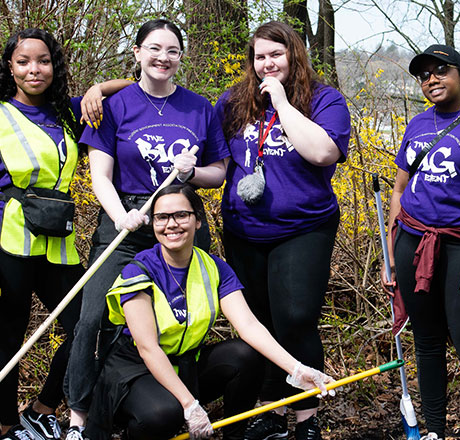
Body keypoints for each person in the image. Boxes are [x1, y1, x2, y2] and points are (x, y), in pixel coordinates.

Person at [66, 18, 227, 440]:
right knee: (91, 319)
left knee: (185, 313)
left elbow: (219, 173)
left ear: (181, 58)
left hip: (180, 221)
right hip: (128, 221)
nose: (163, 58)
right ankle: (79, 417)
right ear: (136, 53)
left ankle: (169, 399)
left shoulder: (199, 107)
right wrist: (121, 215)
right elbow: (100, 174)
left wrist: (193, 172)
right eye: (155, 49)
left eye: (173, 51)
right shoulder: (113, 106)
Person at [85, 185, 335, 440]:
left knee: (245, 355)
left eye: (181, 215)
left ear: (198, 221)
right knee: (164, 413)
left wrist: (296, 369)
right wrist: (189, 405)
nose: (171, 224)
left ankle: (234, 437)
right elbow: (148, 348)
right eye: (162, 217)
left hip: (185, 365)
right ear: (154, 224)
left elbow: (248, 325)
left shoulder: (214, 267)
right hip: (137, 371)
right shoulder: (137, 271)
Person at [213, 20, 350, 440]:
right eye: (260, 57)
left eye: (276, 54)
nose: (267, 63)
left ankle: (306, 418)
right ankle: (271, 411)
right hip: (244, 231)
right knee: (262, 323)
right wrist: (106, 89)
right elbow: (188, 123)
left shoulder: (323, 100)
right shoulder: (233, 102)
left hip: (303, 227)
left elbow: (324, 152)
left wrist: (283, 104)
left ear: (294, 54)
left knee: (295, 318)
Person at [0, 28, 95, 440]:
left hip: (59, 242)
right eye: (23, 62)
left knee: (84, 325)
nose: (34, 69)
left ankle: (41, 407)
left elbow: (134, 84)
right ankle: (7, 426)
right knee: (10, 334)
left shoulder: (69, 113)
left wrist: (96, 88)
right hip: (8, 239)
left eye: (43, 61)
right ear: (11, 68)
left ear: (55, 67)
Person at [382, 44, 460, 439]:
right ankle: (434, 430)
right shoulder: (417, 125)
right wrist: (390, 255)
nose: (432, 79)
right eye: (424, 75)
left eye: (441, 70)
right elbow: (399, 189)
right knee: (426, 341)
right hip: (412, 242)